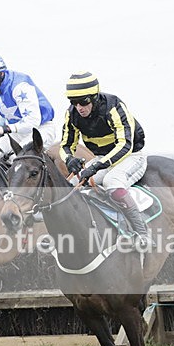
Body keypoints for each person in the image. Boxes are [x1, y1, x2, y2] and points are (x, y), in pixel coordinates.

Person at [59, 71, 149, 246]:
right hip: (103, 158)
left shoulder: (114, 106)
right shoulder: (72, 114)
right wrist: (69, 159)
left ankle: (142, 233)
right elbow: (65, 145)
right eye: (74, 103)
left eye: (84, 102)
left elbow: (125, 145)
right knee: (69, 186)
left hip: (131, 156)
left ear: (94, 97)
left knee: (112, 182)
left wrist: (97, 165)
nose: (79, 108)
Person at [0, 52, 56, 165]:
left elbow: (32, 122)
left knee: (18, 158)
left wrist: (4, 129)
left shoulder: (20, 86)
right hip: (16, 133)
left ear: (0, 74)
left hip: (40, 130)